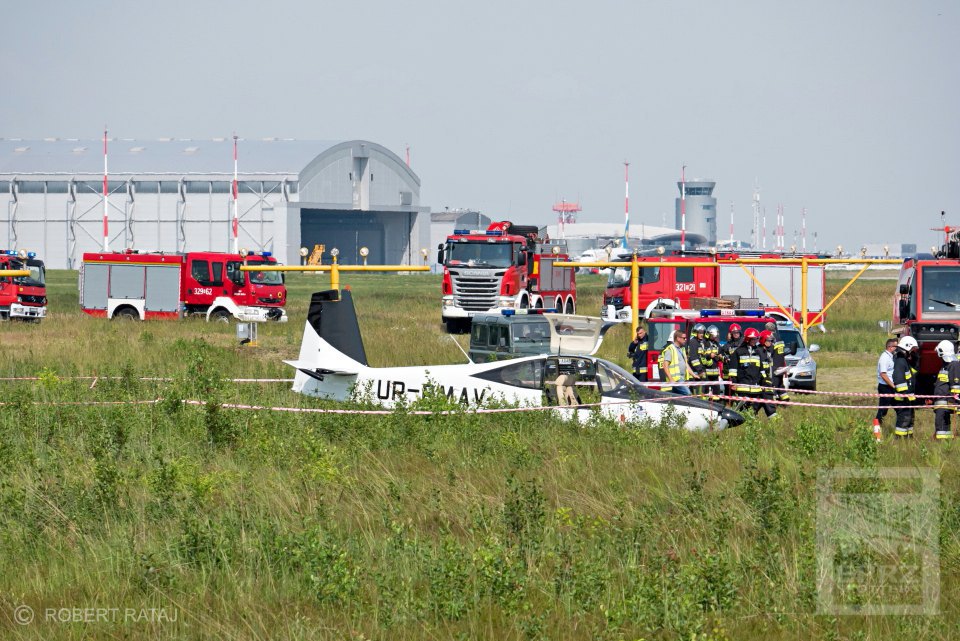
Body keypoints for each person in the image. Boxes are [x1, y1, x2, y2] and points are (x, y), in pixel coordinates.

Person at [729, 328, 776, 418]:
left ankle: (752, 423)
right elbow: (733, 369)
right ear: (748, 339)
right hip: (743, 387)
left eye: (756, 339)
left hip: (755, 387)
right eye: (754, 339)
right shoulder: (738, 352)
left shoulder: (758, 352)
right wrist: (733, 383)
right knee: (741, 411)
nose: (755, 341)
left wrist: (764, 382)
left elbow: (762, 369)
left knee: (753, 411)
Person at [892, 336, 919, 438]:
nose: (913, 351)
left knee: (909, 419)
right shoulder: (900, 361)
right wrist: (905, 394)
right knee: (903, 420)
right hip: (903, 399)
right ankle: (900, 439)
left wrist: (916, 360)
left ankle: (909, 438)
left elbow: (913, 374)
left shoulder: (905, 361)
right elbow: (899, 380)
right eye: (912, 349)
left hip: (908, 398)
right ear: (907, 347)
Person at [933, 340, 960, 440]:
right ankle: (945, 442)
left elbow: (956, 386)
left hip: (946, 401)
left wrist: (954, 401)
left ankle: (942, 442)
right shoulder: (945, 365)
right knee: (941, 424)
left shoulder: (954, 365)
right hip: (941, 401)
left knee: (941, 424)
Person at [659, 330, 699, 395]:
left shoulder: (682, 349)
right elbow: (665, 366)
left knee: (677, 397)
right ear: (678, 338)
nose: (685, 340)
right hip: (676, 380)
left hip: (682, 379)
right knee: (688, 394)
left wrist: (693, 375)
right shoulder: (670, 349)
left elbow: (686, 364)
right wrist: (671, 379)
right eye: (684, 338)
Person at [874, 338, 898, 428]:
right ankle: (876, 427)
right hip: (885, 387)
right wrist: (893, 386)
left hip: (889, 387)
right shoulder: (884, 358)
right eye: (896, 346)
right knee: (882, 410)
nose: (897, 348)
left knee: (898, 408)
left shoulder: (890, 357)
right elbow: (883, 374)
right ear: (890, 347)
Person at [764, 322, 790, 401]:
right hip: (781, 364)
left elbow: (770, 351)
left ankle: (774, 400)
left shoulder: (772, 338)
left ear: (767, 329)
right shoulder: (779, 338)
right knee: (780, 384)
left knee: (773, 384)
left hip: (774, 365)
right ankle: (785, 399)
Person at [687, 323, 708, 395]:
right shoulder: (693, 342)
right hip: (695, 371)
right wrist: (700, 370)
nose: (702, 334)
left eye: (703, 333)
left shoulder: (701, 342)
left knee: (703, 391)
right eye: (700, 333)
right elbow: (694, 358)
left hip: (700, 370)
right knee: (697, 392)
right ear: (695, 333)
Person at [702, 325, 722, 400]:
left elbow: (721, 353)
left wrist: (720, 356)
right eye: (714, 336)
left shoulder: (716, 344)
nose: (715, 337)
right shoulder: (703, 343)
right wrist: (709, 355)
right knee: (705, 392)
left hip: (715, 373)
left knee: (717, 392)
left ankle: (716, 404)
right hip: (706, 372)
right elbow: (701, 356)